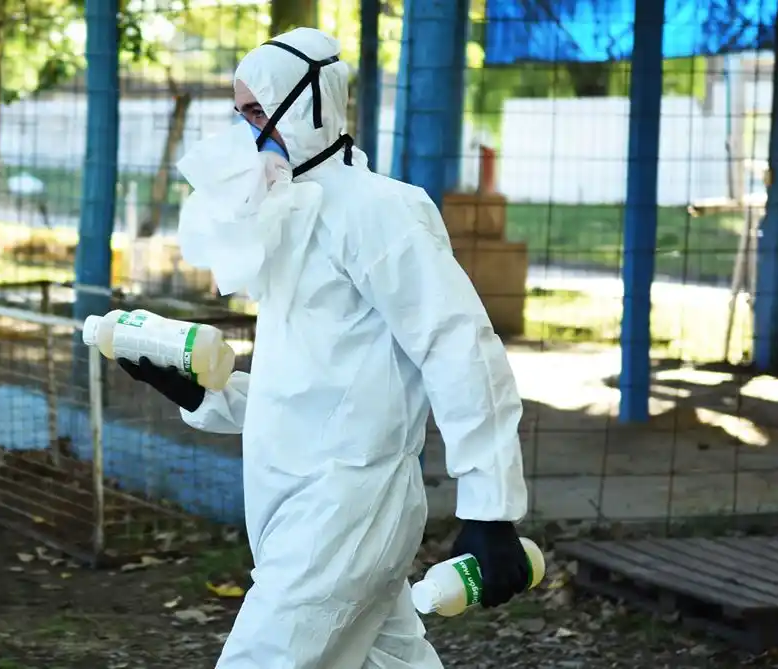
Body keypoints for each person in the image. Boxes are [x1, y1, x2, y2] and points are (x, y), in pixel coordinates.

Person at [118, 27, 530, 669]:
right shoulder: (287, 215)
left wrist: (491, 507)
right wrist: (209, 395)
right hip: (293, 498)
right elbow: (315, 386)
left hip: (350, 504)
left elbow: (460, 351)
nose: (246, 132)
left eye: (258, 112)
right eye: (240, 113)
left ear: (311, 104)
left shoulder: (381, 211)